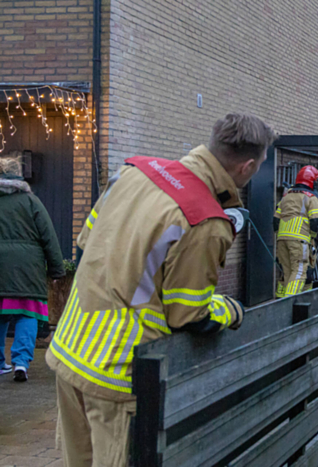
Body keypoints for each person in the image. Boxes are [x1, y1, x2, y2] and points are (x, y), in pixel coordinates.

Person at [46, 113, 277, 467]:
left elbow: (86, 241)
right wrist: (231, 310)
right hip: (116, 374)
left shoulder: (133, 172)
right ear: (246, 167)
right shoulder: (205, 220)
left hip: (70, 350)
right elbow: (188, 313)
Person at [0, 157, 65, 382]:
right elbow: (48, 236)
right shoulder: (30, 201)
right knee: (27, 314)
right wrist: (57, 270)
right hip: (28, 270)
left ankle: (0, 363)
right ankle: (20, 363)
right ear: (18, 176)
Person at [274, 166, 318, 297]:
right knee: (299, 272)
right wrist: (312, 236)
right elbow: (315, 220)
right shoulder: (311, 197)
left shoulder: (286, 197)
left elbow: (276, 220)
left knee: (288, 272)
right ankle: (289, 304)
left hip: (282, 239)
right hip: (300, 239)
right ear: (311, 181)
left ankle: (283, 301)